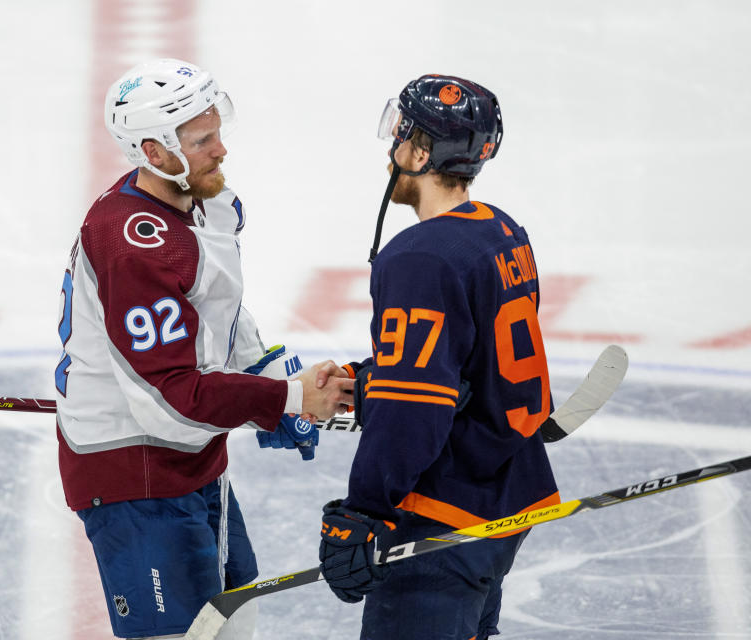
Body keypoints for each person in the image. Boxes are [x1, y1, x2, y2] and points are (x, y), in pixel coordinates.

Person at [54, 58, 353, 639]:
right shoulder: (133, 245)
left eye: (218, 131)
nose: (221, 150)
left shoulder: (206, 205)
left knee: (233, 623)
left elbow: (218, 310)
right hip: (135, 470)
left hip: (191, 458)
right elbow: (170, 402)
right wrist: (285, 399)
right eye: (202, 140)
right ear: (155, 152)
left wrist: (262, 374)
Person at [317, 74, 560, 640]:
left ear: (422, 152)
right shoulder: (501, 230)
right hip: (504, 503)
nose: (391, 149)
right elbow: (468, 366)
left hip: (440, 522)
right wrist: (372, 378)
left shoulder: (419, 257)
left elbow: (415, 407)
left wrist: (365, 509)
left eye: (400, 136)